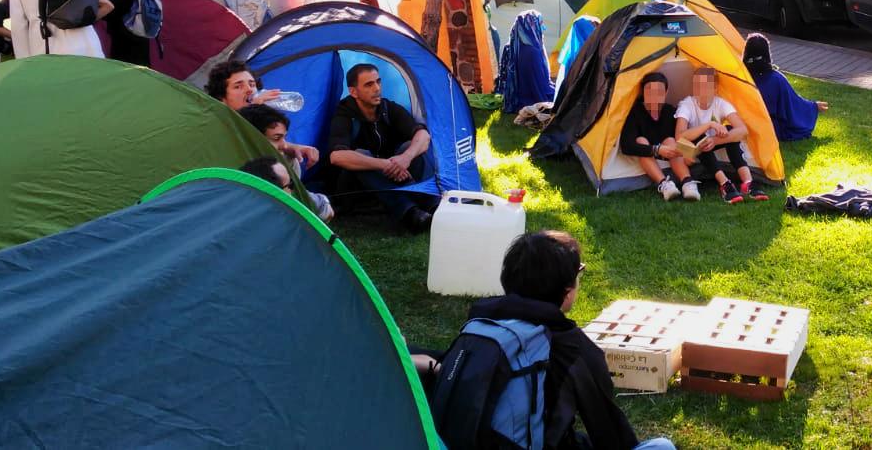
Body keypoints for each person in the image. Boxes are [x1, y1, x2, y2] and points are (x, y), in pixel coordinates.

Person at [427, 231, 675, 450]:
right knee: (662, 446)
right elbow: (610, 434)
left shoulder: (479, 326)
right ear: (566, 290)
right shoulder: (572, 347)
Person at [326, 63, 440, 232]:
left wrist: (405, 158)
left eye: (378, 82)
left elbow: (424, 136)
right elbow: (337, 156)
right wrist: (387, 165)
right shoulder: (344, 114)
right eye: (369, 84)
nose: (377, 88)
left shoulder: (389, 108)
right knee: (359, 155)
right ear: (353, 91)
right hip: (360, 187)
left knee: (413, 146)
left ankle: (432, 204)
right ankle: (410, 213)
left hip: (398, 174)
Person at [675, 67, 768, 204]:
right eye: (697, 85)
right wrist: (709, 125)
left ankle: (748, 182)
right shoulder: (687, 104)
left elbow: (743, 130)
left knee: (730, 130)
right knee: (702, 138)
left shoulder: (721, 103)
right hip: (695, 145)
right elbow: (679, 136)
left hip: (714, 141)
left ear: (715, 89)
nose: (701, 90)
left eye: (705, 86)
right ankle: (724, 183)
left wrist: (715, 140)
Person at [238, 102, 333, 221]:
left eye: (284, 137)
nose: (284, 145)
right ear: (254, 138)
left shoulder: (286, 158)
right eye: (277, 138)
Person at [621, 72, 699, 201]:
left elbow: (683, 135)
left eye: (659, 91)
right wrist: (656, 149)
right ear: (642, 92)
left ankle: (687, 182)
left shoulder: (669, 111)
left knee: (671, 140)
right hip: (648, 151)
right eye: (649, 91)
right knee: (640, 140)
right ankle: (665, 184)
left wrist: (688, 152)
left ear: (666, 92)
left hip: (668, 150)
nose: (654, 96)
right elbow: (627, 145)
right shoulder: (635, 113)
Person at [742, 33, 828, 141]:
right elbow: (793, 103)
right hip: (768, 129)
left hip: (743, 126)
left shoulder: (740, 77)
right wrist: (813, 106)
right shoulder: (777, 79)